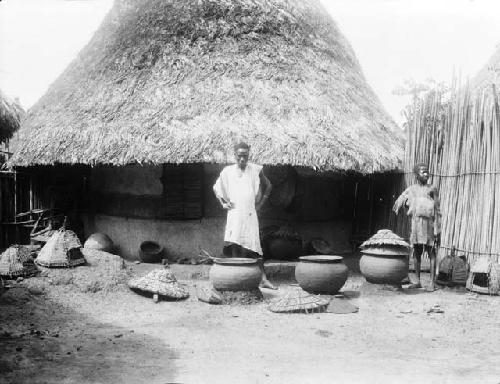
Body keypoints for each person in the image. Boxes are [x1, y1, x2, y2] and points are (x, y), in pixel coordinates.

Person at [213, 142, 277, 290]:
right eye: (240, 156)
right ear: (235, 155)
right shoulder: (227, 171)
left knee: (254, 246)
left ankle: (263, 279)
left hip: (249, 213)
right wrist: (223, 203)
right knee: (235, 243)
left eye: (245, 156)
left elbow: (269, 186)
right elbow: (217, 188)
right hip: (234, 213)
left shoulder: (255, 169)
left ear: (249, 155)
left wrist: (260, 205)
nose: (243, 159)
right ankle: (238, 279)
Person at [393, 162, 441, 291]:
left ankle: (431, 282)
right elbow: (402, 199)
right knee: (417, 252)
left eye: (427, 171)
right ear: (416, 175)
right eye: (423, 172)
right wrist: (403, 205)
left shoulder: (432, 189)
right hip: (416, 224)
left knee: (431, 252)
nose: (426, 174)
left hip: (429, 224)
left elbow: (437, 210)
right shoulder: (412, 189)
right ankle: (418, 281)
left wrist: (438, 228)